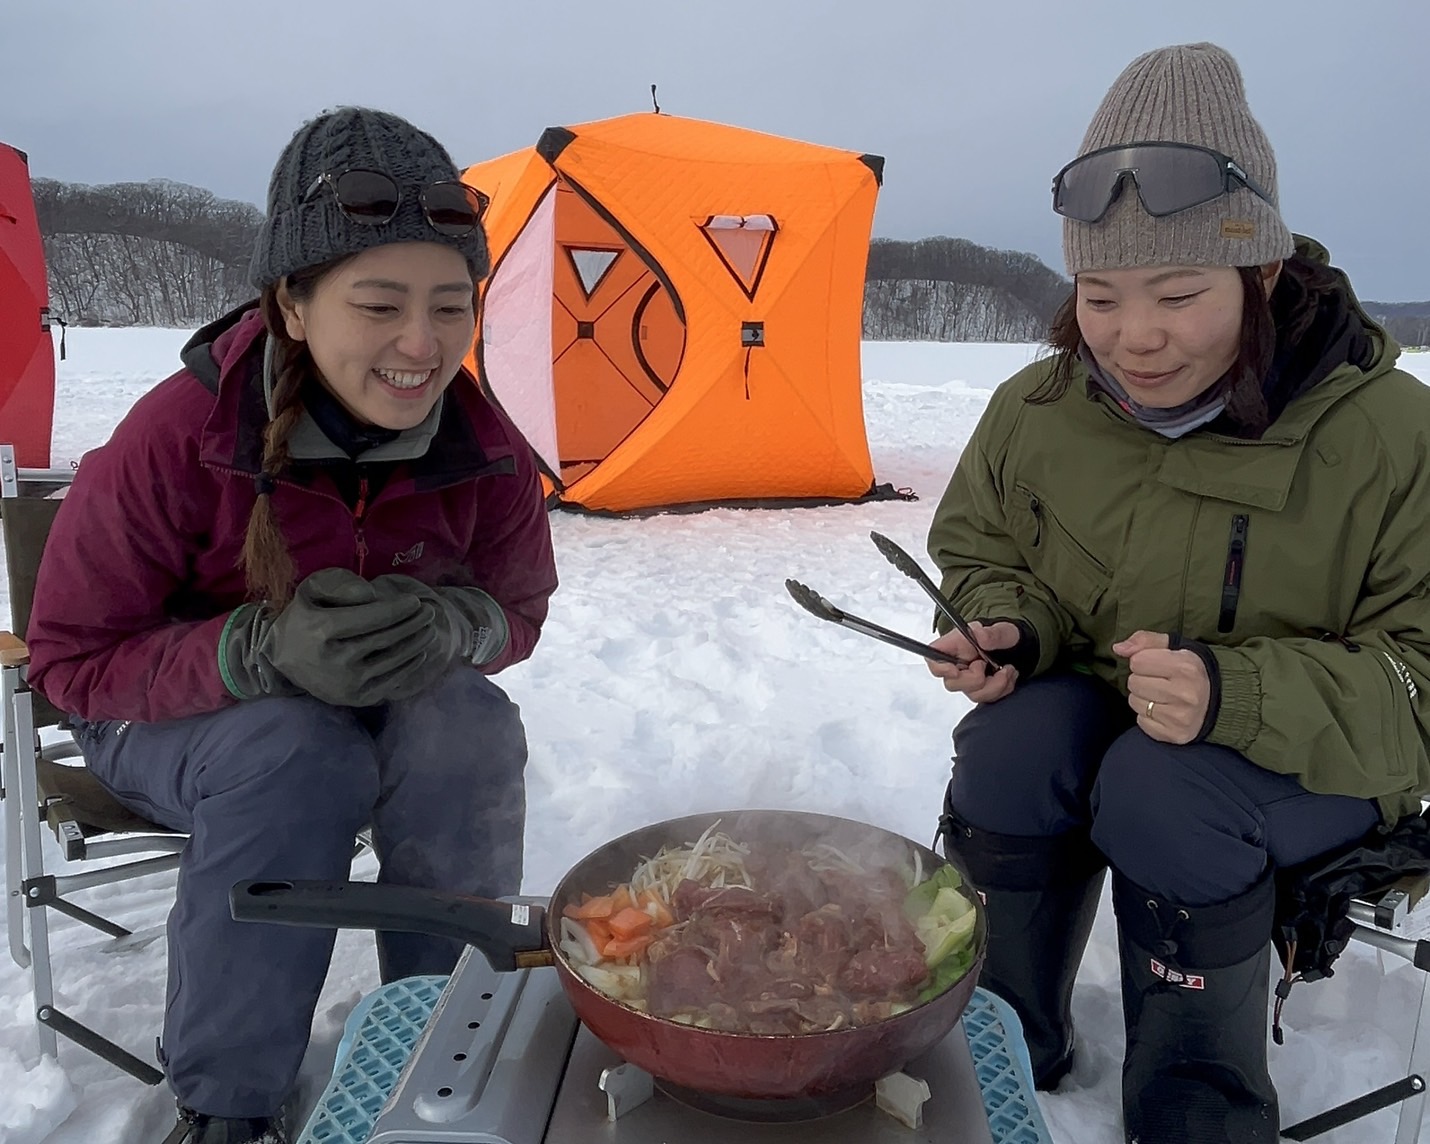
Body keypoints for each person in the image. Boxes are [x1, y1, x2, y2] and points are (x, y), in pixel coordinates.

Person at [923, 42, 1430, 1144]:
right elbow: (977, 547)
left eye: (1178, 293)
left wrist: (1235, 694)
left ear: (1262, 274)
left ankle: (1198, 1107)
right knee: (1013, 743)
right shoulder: (1037, 409)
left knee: (1165, 788)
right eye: (1099, 296)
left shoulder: (1391, 433)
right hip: (1127, 725)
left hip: (1317, 759)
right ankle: (997, 1041)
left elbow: (1420, 682)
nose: (1133, 336)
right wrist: (1009, 627)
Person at [26, 107, 557, 1144]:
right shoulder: (178, 435)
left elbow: (519, 610)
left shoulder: (483, 444)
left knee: (468, 727)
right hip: (164, 721)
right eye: (379, 304)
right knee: (294, 749)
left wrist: (455, 628)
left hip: (374, 712)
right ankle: (229, 1103)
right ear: (292, 306)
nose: (422, 345)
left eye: (452, 305)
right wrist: (253, 649)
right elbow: (71, 661)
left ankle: (443, 1037)